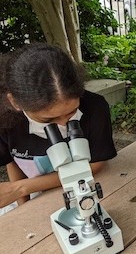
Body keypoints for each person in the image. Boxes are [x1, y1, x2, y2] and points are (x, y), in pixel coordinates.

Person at [0, 43, 117, 213]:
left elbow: (97, 164)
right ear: (15, 102)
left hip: (86, 184)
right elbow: (12, 161)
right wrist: (23, 208)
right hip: (35, 194)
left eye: (71, 112)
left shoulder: (94, 107)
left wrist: (21, 188)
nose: (63, 124)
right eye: (48, 119)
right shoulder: (6, 120)